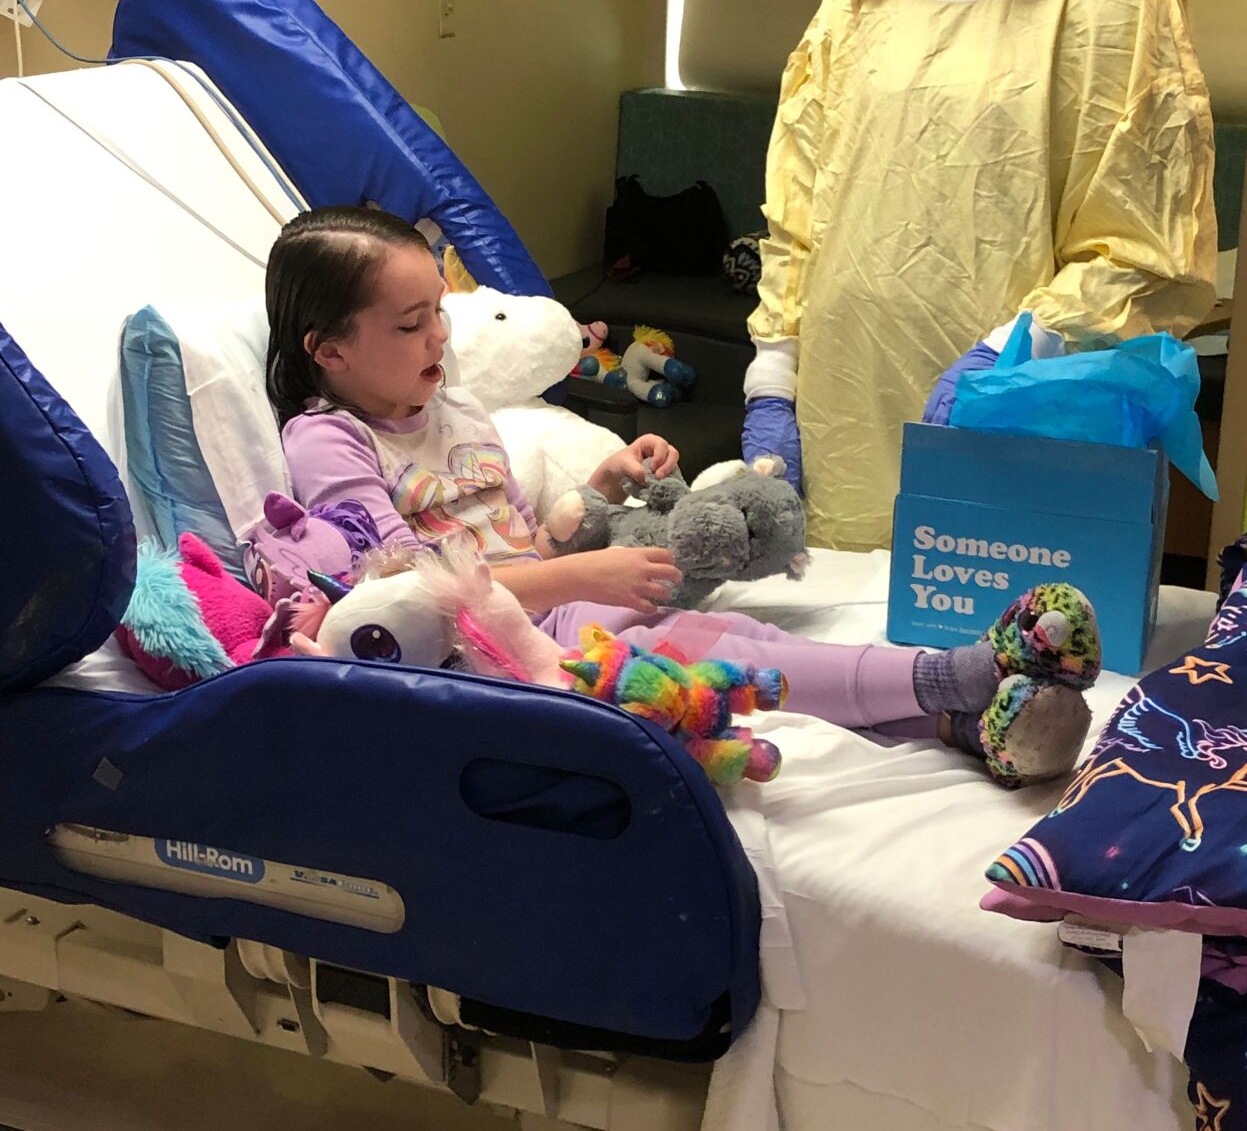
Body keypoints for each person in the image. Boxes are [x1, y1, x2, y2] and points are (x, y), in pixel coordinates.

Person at [263, 205, 1101, 785]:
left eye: (439, 313)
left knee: (732, 633)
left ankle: (960, 722)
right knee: (702, 646)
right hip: (483, 663)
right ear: (328, 350)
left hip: (542, 610)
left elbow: (516, 544)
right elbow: (400, 597)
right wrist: (586, 577)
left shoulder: (452, 406)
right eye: (410, 325)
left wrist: (599, 492)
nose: (439, 337)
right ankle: (955, 675)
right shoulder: (329, 439)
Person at [742, 0, 1216, 551]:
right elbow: (801, 192)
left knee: (1000, 664)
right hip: (843, 421)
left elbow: (1140, 248)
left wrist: (1011, 349)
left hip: (1012, 431)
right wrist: (773, 376)